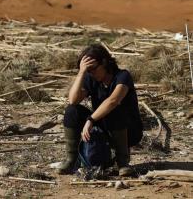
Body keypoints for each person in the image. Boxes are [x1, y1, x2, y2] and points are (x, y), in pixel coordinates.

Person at [59, 44, 143, 176]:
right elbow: (73, 100)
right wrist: (81, 73)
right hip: (104, 127)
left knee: (114, 108)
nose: (91, 73)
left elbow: (113, 101)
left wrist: (90, 119)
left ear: (104, 62)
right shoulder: (91, 78)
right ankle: (71, 160)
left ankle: (123, 163)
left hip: (128, 131)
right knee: (72, 111)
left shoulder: (122, 76)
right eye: (88, 71)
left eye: (92, 69)